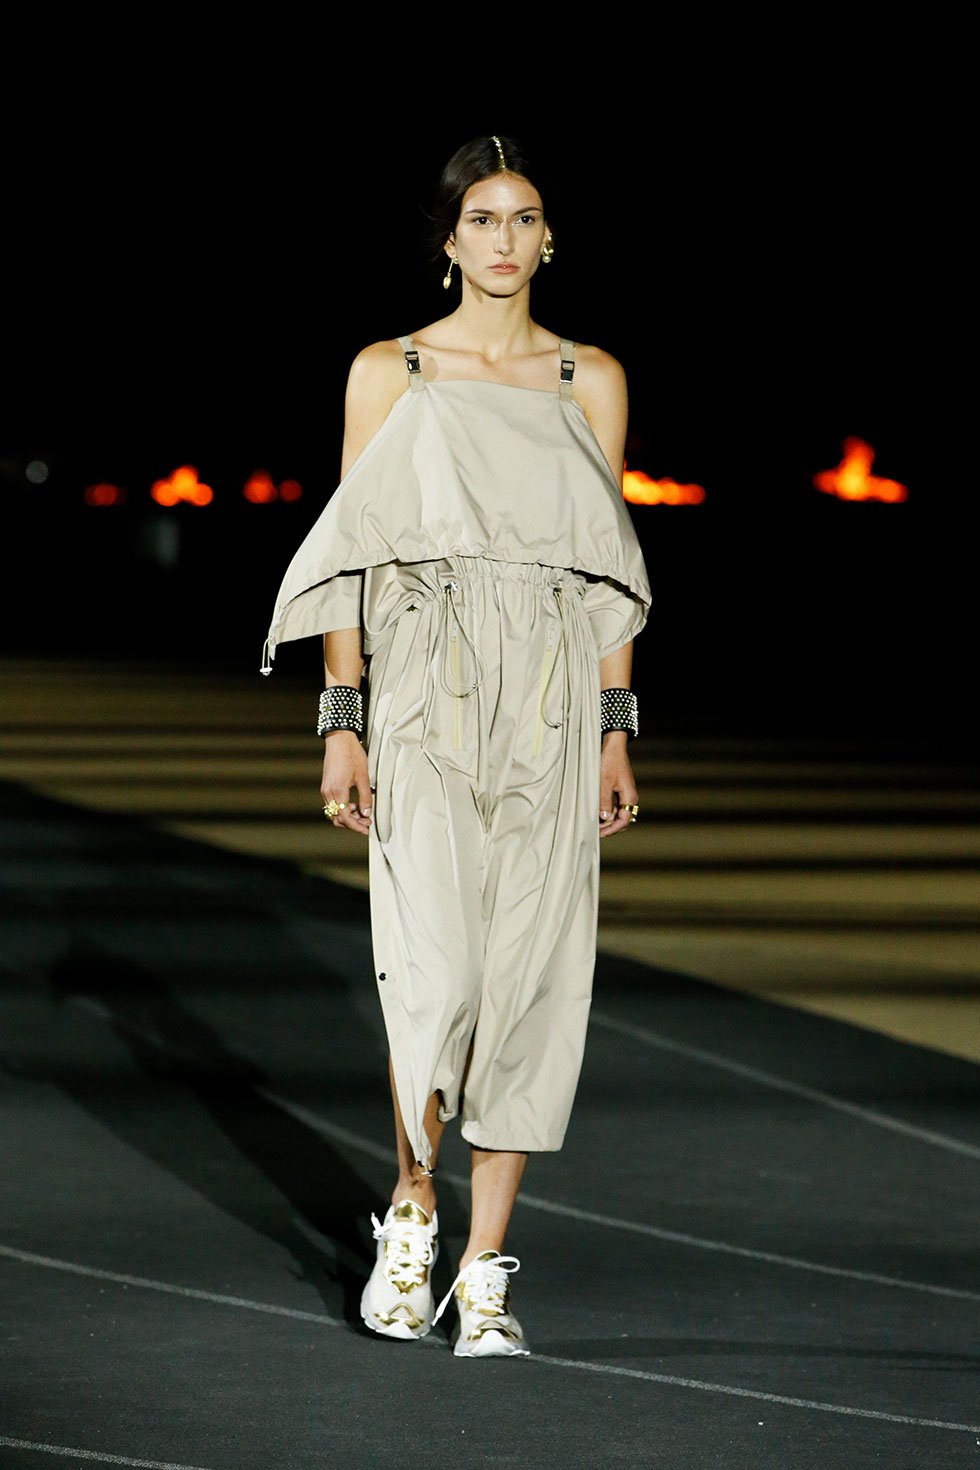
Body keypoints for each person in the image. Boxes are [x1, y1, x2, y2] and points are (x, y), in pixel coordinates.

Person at [261, 134, 651, 1358]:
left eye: (521, 217)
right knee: (434, 968)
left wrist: (614, 729)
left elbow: (604, 565)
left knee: (533, 971)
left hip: (550, 687)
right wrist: (342, 720)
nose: (501, 239)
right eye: (480, 218)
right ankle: (413, 1205)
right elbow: (349, 554)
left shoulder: (589, 378)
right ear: (446, 239)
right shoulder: (392, 370)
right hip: (423, 681)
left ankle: (484, 1267)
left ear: (549, 237)